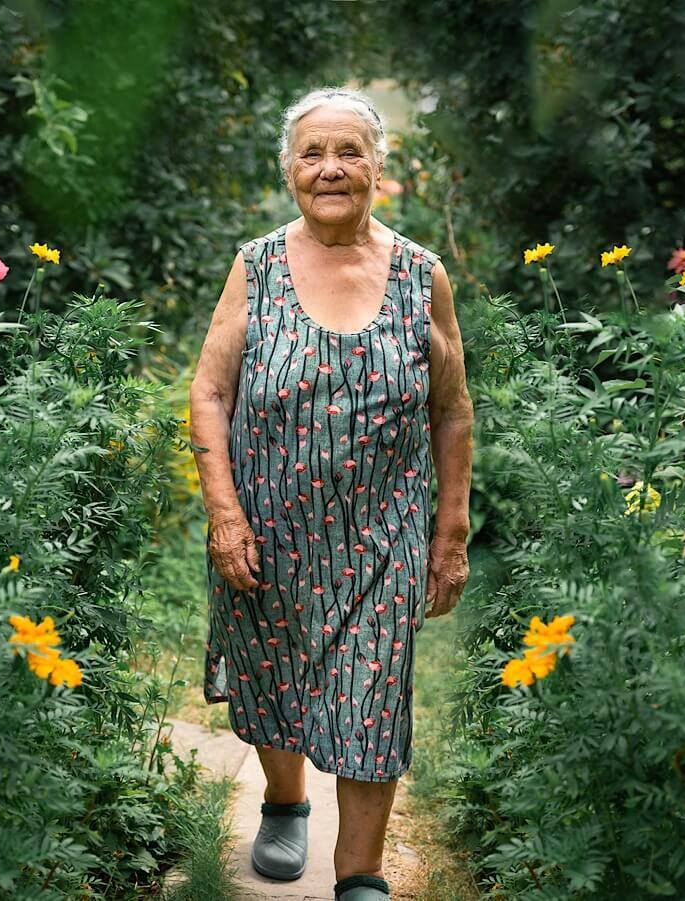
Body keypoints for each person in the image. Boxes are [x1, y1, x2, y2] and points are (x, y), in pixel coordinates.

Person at [187, 85, 473, 901]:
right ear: (289, 169)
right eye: (312, 153)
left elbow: (452, 408)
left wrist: (448, 534)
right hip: (267, 527)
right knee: (270, 673)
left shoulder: (423, 275)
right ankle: (284, 798)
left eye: (349, 151)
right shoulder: (257, 265)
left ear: (379, 166)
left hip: (383, 532)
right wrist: (225, 514)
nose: (331, 168)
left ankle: (360, 877)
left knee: (374, 694)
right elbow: (210, 391)